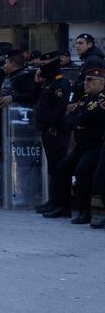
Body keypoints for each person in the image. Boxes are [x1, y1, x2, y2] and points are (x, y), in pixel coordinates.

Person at [44, 67, 105, 224]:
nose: (86, 83)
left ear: (101, 83)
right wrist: (79, 122)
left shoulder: (102, 100)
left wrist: (79, 121)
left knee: (82, 171)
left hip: (95, 146)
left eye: (90, 81)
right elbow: (69, 120)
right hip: (81, 145)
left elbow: (92, 117)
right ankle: (62, 207)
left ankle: (85, 213)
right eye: (85, 80)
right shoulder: (84, 99)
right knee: (61, 168)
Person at [35, 51, 72, 215]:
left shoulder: (60, 83)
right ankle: (53, 201)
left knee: (59, 168)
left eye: (44, 65)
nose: (41, 68)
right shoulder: (48, 82)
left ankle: (61, 205)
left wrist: (53, 126)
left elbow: (59, 109)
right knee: (52, 168)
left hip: (55, 132)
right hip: (47, 130)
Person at [73, 33, 105, 100]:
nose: (77, 46)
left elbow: (91, 84)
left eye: (80, 43)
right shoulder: (88, 58)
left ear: (89, 45)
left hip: (90, 99)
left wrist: (73, 87)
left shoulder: (93, 60)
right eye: (76, 43)